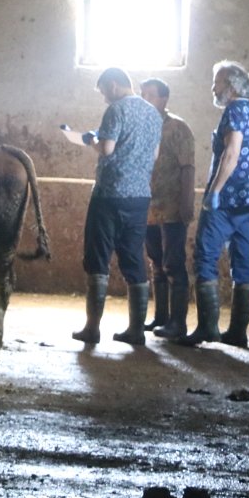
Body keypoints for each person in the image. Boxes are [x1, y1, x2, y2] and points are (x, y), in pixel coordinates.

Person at [174, 60, 249, 348]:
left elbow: (232, 152)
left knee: (205, 257)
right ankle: (238, 332)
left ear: (231, 86)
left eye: (216, 82)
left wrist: (214, 191)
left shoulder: (234, 111)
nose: (213, 88)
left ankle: (208, 328)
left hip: (226, 200)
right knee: (244, 264)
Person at [73, 67, 162, 346]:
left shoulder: (116, 109)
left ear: (113, 85)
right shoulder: (153, 113)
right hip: (139, 197)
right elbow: (155, 154)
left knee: (98, 258)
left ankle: (92, 329)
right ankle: (136, 330)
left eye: (103, 91)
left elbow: (107, 149)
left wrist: (91, 140)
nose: (104, 97)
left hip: (109, 195)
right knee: (134, 257)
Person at [139, 78, 196, 339]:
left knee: (173, 263)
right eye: (142, 95)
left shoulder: (177, 128)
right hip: (149, 207)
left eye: (150, 95)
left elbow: (188, 167)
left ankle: (178, 323)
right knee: (156, 263)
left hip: (172, 207)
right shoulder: (142, 127)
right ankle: (160, 317)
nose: (145, 100)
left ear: (164, 99)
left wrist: (187, 202)